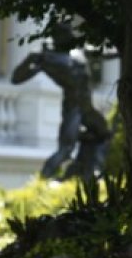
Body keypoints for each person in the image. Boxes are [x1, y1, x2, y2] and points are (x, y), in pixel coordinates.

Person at [12, 22, 110, 180]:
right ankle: (43, 179)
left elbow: (104, 53)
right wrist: (30, 60)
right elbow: (16, 78)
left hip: (87, 108)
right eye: (65, 34)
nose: (70, 36)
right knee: (65, 149)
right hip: (73, 108)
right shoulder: (47, 59)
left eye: (69, 33)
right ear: (57, 37)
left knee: (103, 133)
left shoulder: (78, 52)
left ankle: (89, 169)